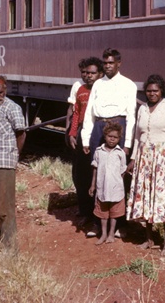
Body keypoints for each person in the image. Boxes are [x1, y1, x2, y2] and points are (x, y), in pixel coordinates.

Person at [126, 74, 165, 253]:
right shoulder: (142, 109)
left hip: (162, 157)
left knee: (164, 197)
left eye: (155, 91)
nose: (152, 94)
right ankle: (149, 238)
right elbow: (137, 136)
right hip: (144, 157)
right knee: (145, 195)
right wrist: (133, 159)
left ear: (162, 90)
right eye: (149, 91)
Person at [0, 75, 27, 252]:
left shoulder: (13, 108)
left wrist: (14, 155)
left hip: (5, 162)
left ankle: (10, 248)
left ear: (5, 90)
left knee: (4, 207)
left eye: (0, 92)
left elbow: (21, 134)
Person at [66, 57, 104, 228]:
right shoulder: (79, 89)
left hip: (100, 133)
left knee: (98, 173)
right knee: (81, 173)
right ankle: (85, 210)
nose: (88, 76)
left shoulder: (104, 88)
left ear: (100, 74)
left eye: (92, 73)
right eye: (85, 73)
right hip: (83, 132)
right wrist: (72, 133)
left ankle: (101, 213)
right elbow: (75, 113)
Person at [81, 48, 137, 156]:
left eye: (111, 63)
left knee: (115, 166)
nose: (107, 66)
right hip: (98, 127)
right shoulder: (97, 84)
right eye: (105, 63)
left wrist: (127, 144)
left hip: (118, 127)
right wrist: (86, 140)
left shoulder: (128, 85)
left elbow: (131, 117)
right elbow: (89, 114)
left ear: (118, 63)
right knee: (96, 164)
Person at [89, 120, 128, 245]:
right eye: (110, 136)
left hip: (116, 189)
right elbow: (95, 169)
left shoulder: (120, 153)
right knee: (103, 213)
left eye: (115, 137)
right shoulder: (99, 151)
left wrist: (117, 183)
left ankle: (112, 233)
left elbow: (123, 171)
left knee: (114, 213)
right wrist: (93, 185)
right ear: (105, 136)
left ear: (119, 139)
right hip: (102, 188)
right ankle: (103, 233)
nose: (112, 139)